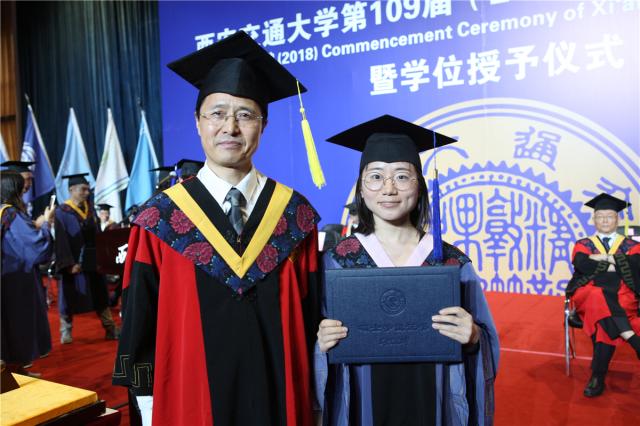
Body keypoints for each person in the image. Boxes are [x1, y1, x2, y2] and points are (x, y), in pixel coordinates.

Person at [113, 31, 321, 426]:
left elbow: (313, 322)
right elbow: (139, 324)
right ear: (198, 122)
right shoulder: (159, 220)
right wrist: (148, 404)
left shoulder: (295, 217)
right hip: (189, 406)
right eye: (217, 113)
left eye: (245, 115)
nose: (230, 127)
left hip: (280, 402)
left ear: (263, 125)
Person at [316, 115, 500, 426]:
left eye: (402, 176)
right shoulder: (338, 262)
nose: (388, 189)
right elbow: (312, 342)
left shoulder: (451, 262)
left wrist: (472, 337)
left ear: (420, 188)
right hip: (365, 400)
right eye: (375, 176)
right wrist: (320, 342)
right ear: (361, 189)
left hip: (433, 398)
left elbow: (484, 341)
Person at [566, 193, 640, 397]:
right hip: (587, 292)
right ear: (594, 220)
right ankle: (632, 338)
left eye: (610, 216)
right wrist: (617, 263)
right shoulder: (583, 243)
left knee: (601, 317)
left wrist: (601, 258)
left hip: (621, 295)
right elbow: (582, 264)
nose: (605, 220)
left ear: (617, 219)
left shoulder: (632, 245)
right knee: (595, 294)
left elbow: (636, 266)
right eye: (600, 216)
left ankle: (597, 376)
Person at [54, 173, 119, 344]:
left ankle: (110, 328)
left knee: (100, 294)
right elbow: (61, 241)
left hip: (93, 260)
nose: (86, 193)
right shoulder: (62, 212)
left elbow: (97, 234)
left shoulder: (89, 209)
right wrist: (69, 263)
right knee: (69, 297)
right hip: (73, 263)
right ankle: (65, 331)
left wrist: (102, 256)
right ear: (71, 190)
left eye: (87, 189)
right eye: (82, 189)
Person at [1, 171, 54, 376]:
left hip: (6, 276)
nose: (25, 190)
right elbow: (36, 248)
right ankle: (15, 371)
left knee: (7, 325)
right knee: (18, 324)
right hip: (16, 280)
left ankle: (14, 370)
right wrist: (46, 223)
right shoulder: (10, 213)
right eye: (21, 187)